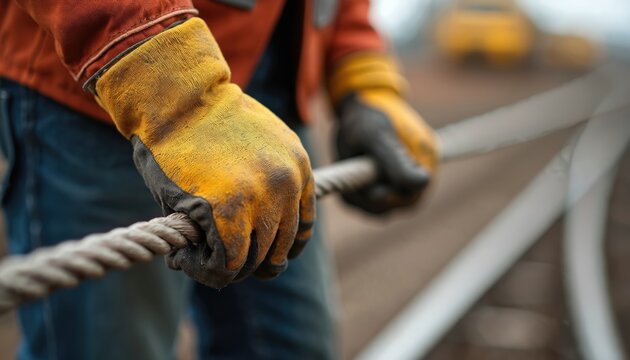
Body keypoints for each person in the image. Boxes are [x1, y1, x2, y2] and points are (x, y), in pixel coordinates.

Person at [0, 0, 438, 359]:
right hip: (104, 79)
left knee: (293, 348)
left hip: (270, 98)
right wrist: (179, 96)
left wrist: (361, 71)